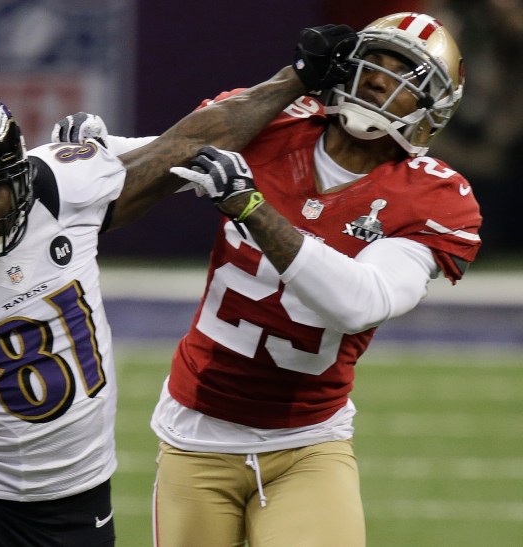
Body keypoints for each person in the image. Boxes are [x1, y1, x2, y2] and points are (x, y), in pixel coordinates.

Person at [0, 24, 358, 545]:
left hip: (80, 504)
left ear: (21, 176)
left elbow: (191, 140)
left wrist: (295, 78)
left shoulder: (64, 189)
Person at [149, 12, 481, 547]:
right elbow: (161, 155)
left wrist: (251, 207)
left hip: (307, 441)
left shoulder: (434, 197)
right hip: (196, 431)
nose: (379, 79)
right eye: (374, 62)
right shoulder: (271, 126)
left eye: (403, 74)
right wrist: (89, 154)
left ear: (431, 108)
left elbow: (361, 302)